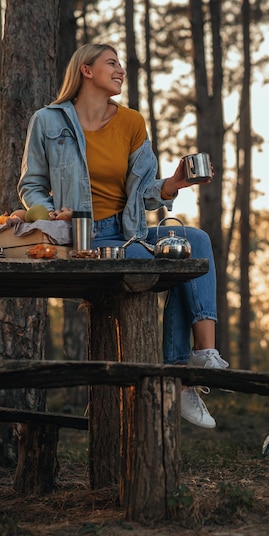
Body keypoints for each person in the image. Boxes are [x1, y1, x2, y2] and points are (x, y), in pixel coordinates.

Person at [17, 42, 228, 429]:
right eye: (112, 63)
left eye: (122, 65)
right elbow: (31, 185)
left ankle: (203, 355)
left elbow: (145, 193)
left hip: (126, 233)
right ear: (86, 70)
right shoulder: (47, 121)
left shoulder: (132, 122)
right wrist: (48, 213)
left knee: (195, 241)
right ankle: (181, 377)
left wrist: (173, 184)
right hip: (80, 239)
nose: (120, 70)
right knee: (180, 262)